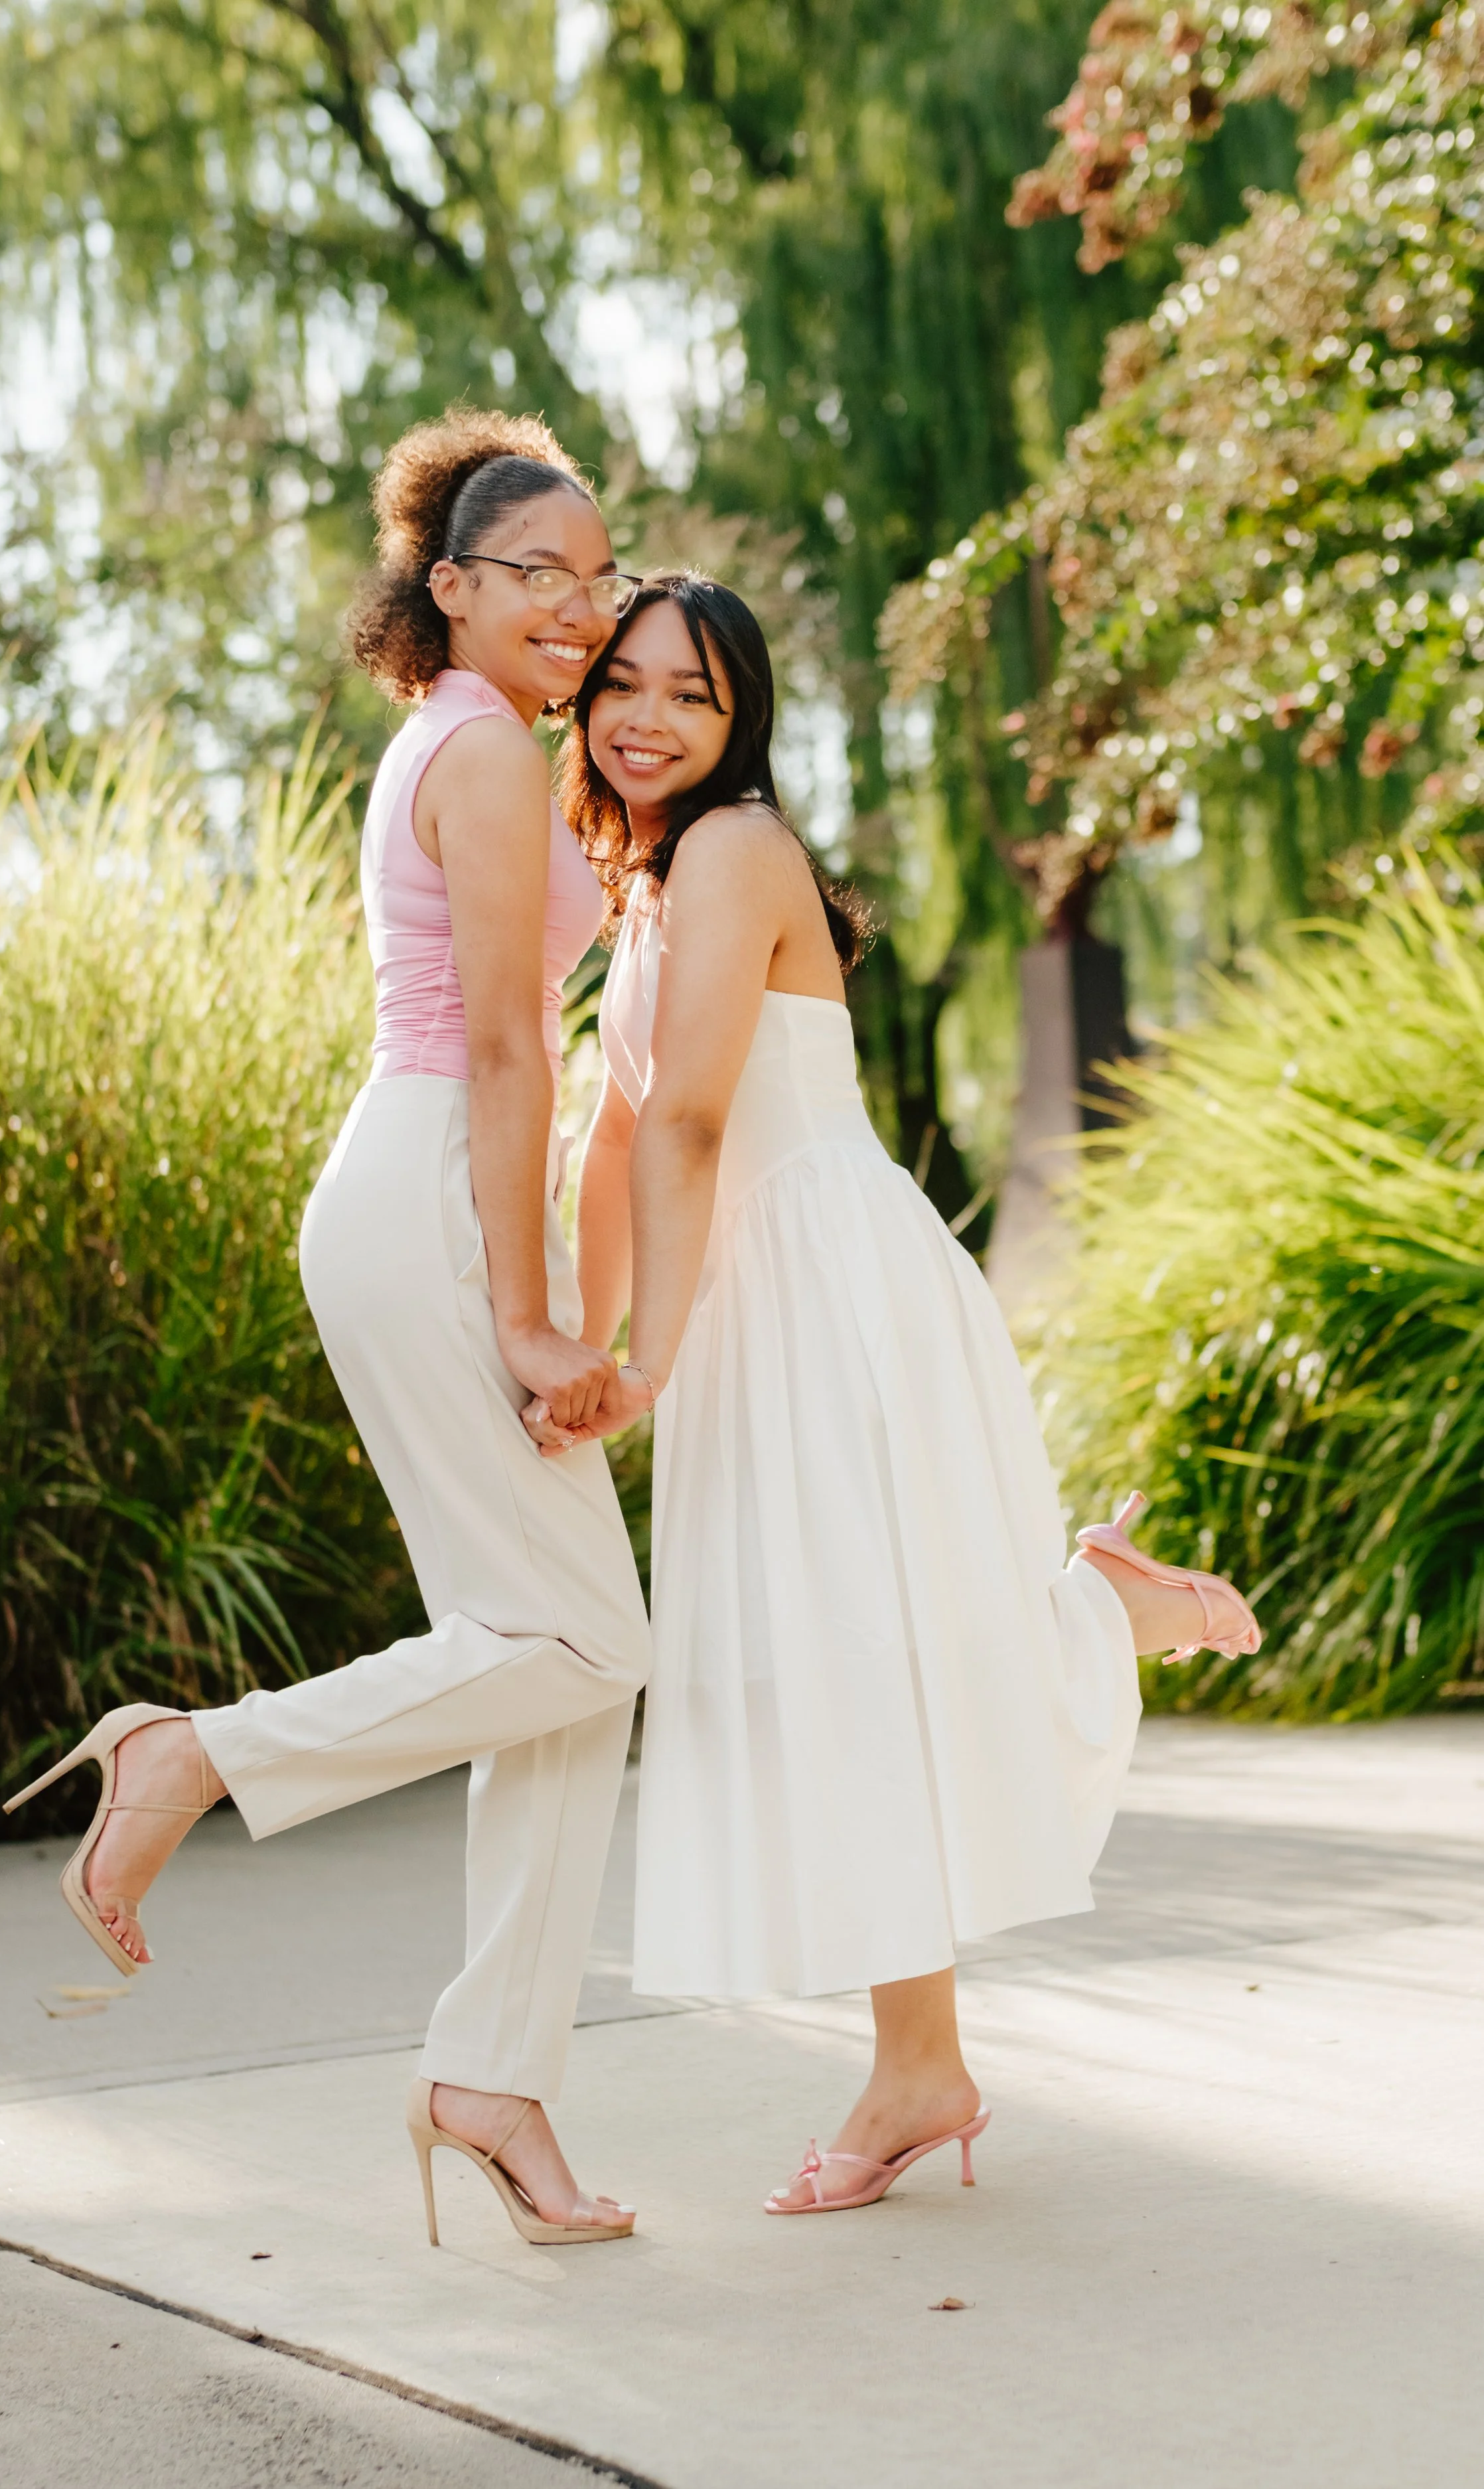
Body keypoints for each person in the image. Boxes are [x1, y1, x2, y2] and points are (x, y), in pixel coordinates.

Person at [530, 573, 1260, 2214]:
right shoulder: (640, 877)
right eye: (624, 685)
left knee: (850, 1668)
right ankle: (920, 2058)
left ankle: (1093, 1629)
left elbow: (690, 1124)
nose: (647, 717)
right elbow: (603, 1129)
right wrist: (583, 1344)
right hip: (752, 1301)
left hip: (825, 1289)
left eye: (692, 698)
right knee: (826, 1675)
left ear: (744, 729)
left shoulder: (732, 852)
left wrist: (635, 1359)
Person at [6, 412, 654, 2247]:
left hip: (426, 1188)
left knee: (565, 1662)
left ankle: (496, 2076)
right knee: (583, 1638)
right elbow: (519, 1047)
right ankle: (195, 1755)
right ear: (444, 584)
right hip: (436, 1193)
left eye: (594, 576)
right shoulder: (481, 753)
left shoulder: (474, 742)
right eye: (534, 571)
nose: (572, 603)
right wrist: (530, 1313)